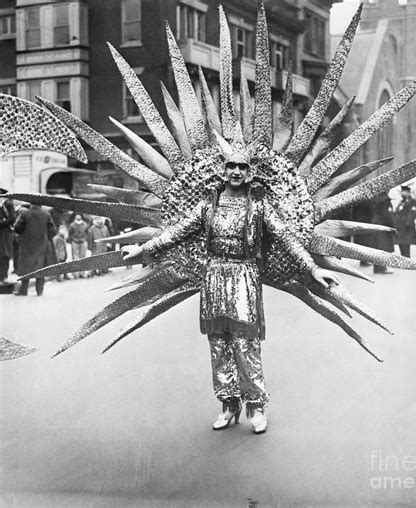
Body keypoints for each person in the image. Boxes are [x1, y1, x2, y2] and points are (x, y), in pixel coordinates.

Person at [121, 149, 340, 435]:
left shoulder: (259, 208)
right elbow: (176, 233)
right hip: (213, 277)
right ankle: (229, 403)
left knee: (245, 344)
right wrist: (142, 249)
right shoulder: (207, 206)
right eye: (231, 166)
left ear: (250, 173)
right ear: (223, 171)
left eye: (242, 167)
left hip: (244, 276)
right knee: (219, 344)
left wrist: (313, 269)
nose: (236, 171)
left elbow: (286, 237)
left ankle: (257, 406)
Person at [14, 204, 57, 296]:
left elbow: (17, 227)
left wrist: (23, 236)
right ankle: (39, 291)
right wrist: (46, 238)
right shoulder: (46, 214)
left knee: (25, 268)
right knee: (40, 267)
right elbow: (53, 230)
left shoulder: (25, 214)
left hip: (27, 245)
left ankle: (23, 291)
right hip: (42, 244)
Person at [371, 192, 395, 274]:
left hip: (376, 224)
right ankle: (382, 267)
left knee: (377, 246)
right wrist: (393, 226)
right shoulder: (385, 200)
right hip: (384, 226)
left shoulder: (376, 198)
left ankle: (376, 267)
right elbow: (388, 215)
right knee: (384, 247)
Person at [394, 186, 416, 258]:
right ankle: (403, 256)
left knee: (406, 243)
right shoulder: (401, 202)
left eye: (404, 192)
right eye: (402, 192)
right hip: (400, 226)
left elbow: (413, 213)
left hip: (407, 225)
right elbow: (397, 212)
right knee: (400, 242)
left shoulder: (412, 201)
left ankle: (407, 257)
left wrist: (408, 223)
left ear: (408, 193)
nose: (402, 193)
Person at [0, 189, 15, 284]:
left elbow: (13, 218)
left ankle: (3, 276)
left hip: (4, 233)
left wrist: (2, 223)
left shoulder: (8, 205)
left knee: (4, 255)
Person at [68, 213, 89, 278]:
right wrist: (71, 240)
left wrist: (85, 239)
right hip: (75, 242)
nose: (78, 216)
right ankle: (75, 274)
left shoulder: (85, 224)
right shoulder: (72, 225)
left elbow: (87, 232)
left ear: (81, 216)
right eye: (76, 215)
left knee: (83, 257)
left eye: (79, 215)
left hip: (83, 242)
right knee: (75, 258)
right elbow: (70, 233)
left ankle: (82, 273)